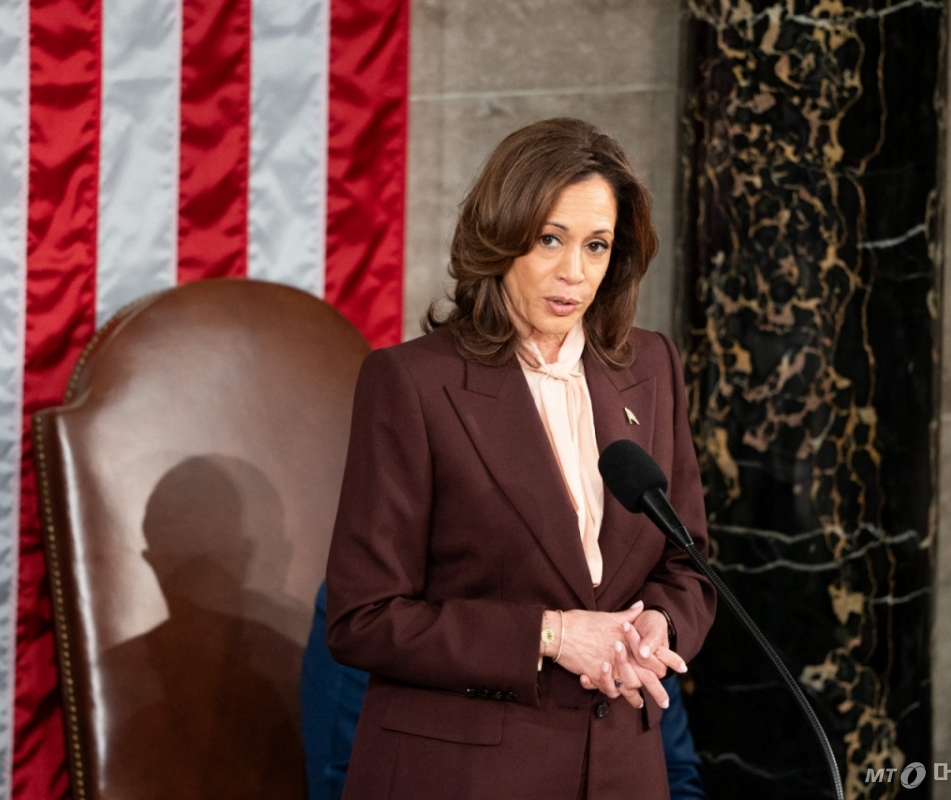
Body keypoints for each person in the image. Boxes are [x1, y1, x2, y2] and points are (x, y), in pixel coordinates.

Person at [325, 117, 716, 800]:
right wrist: (550, 635)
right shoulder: (413, 384)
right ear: (500, 238)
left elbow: (688, 562)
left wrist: (658, 626)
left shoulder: (651, 367)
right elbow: (364, 618)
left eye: (597, 246)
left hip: (622, 771)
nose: (574, 273)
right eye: (549, 240)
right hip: (465, 774)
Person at [301, 581, 707, 800]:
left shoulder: (621, 602)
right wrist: (547, 635)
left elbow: (676, 771)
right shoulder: (395, 610)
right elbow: (341, 770)